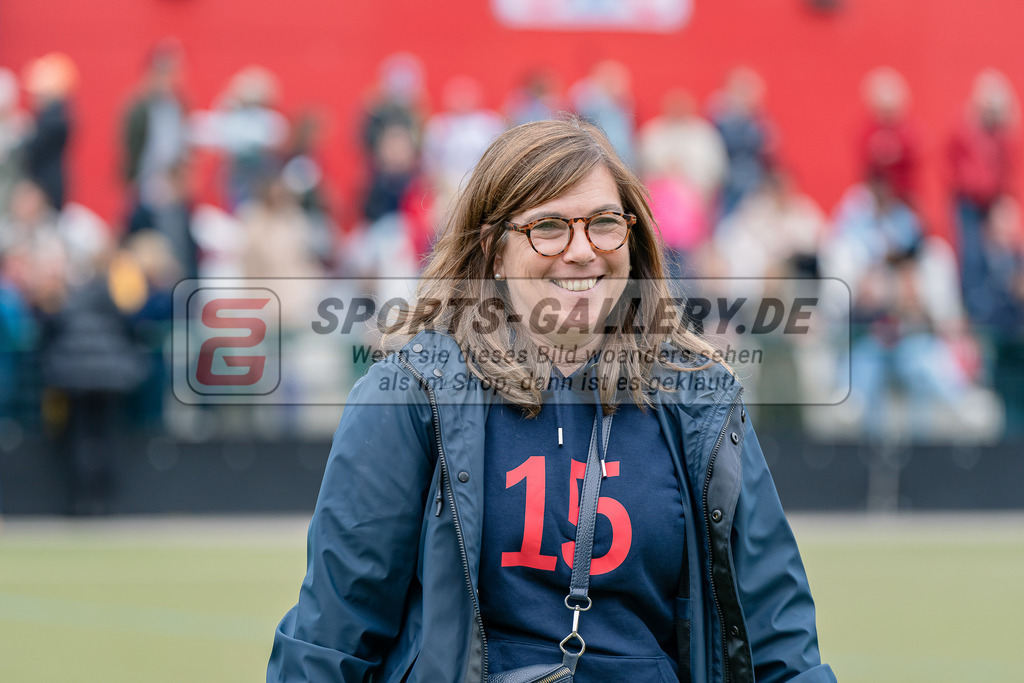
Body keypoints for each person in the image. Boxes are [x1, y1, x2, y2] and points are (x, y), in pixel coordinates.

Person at [268, 118, 834, 682]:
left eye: (604, 224)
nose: (581, 250)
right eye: (548, 228)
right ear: (493, 250)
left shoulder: (699, 400)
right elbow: (330, 641)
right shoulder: (412, 396)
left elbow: (778, 648)